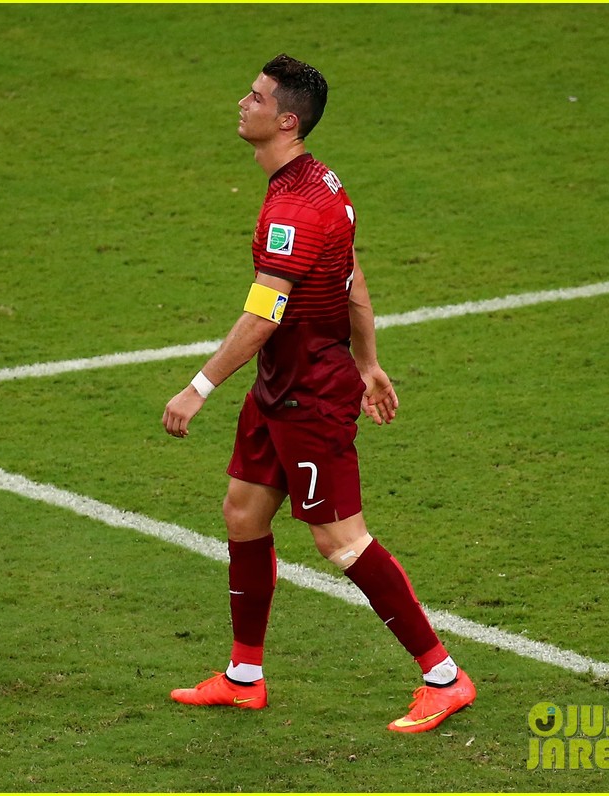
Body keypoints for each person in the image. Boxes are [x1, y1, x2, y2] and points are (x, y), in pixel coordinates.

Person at [161, 54, 475, 733]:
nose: (241, 103)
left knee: (342, 541)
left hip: (309, 393)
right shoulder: (319, 182)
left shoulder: (295, 208)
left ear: (286, 119)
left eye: (254, 97)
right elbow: (352, 273)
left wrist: (198, 387)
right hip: (284, 383)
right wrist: (368, 359)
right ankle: (244, 676)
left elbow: (264, 314)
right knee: (243, 511)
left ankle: (443, 676)